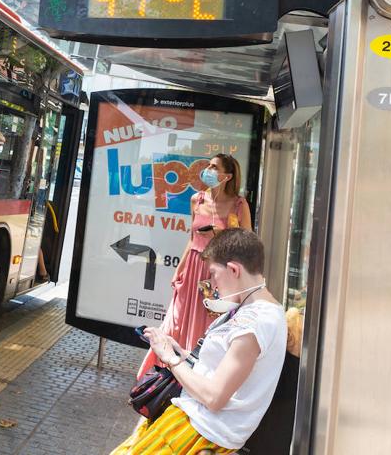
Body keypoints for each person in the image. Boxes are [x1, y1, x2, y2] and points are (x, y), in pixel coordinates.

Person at [112, 229, 286, 454]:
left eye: (213, 274)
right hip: (196, 425)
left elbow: (214, 397)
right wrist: (179, 352)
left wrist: (171, 360)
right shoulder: (256, 310)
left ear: (233, 269)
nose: (213, 284)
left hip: (198, 432)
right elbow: (217, 370)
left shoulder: (254, 322)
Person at [138, 153, 252, 377]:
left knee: (205, 322)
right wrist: (179, 270)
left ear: (227, 176)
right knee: (177, 320)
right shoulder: (197, 199)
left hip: (216, 272)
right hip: (192, 267)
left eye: (213, 167)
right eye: (208, 165)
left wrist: (219, 234)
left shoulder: (239, 204)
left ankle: (197, 375)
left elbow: (247, 243)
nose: (207, 170)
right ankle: (168, 371)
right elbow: (191, 238)